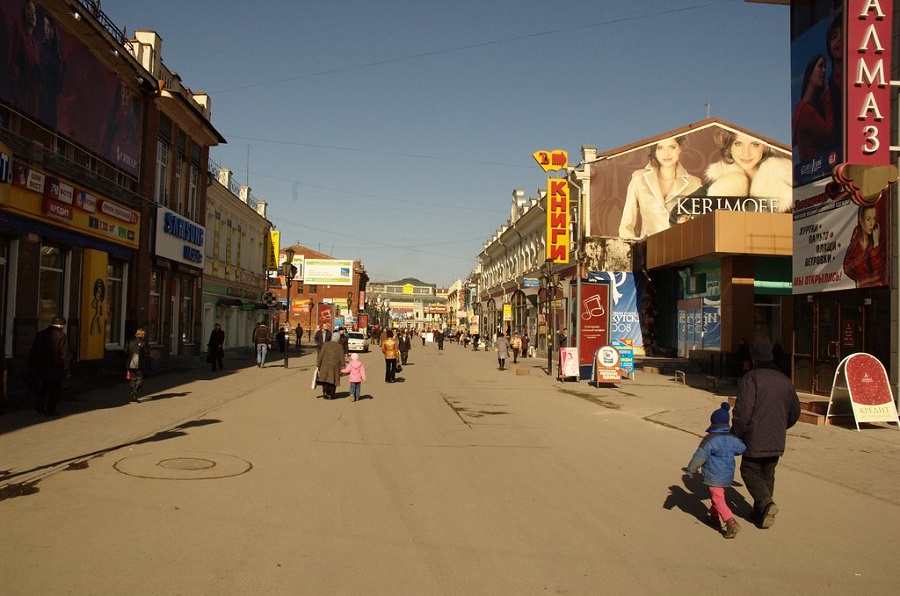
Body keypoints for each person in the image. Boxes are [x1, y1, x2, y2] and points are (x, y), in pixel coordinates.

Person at [732, 338, 801, 529]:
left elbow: (743, 410)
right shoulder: (785, 380)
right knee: (767, 473)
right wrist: (781, 426)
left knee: (749, 470)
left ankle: (766, 503)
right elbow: (795, 410)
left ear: (754, 359)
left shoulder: (751, 378)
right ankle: (760, 513)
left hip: (755, 437)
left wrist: (736, 431)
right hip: (777, 437)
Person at [683, 402, 746, 539]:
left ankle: (731, 521)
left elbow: (700, 456)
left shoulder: (710, 440)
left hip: (715, 476)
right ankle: (713, 516)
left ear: (713, 422)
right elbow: (741, 449)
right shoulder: (732, 438)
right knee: (718, 497)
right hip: (728, 476)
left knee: (718, 499)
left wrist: (690, 470)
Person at [619, 136, 703, 237]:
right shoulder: (639, 178)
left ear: (680, 148)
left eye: (672, 147)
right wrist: (635, 250)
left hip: (682, 250)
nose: (666, 154)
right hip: (648, 250)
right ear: (654, 151)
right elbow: (626, 226)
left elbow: (700, 227)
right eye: (660, 148)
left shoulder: (694, 184)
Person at [703, 131, 792, 213]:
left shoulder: (788, 185)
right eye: (738, 144)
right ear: (730, 147)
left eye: (755, 145)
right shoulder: (714, 185)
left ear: (765, 147)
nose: (746, 153)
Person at [792, 54, 834, 162]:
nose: (824, 71)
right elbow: (829, 136)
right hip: (817, 168)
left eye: (825, 67)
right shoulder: (806, 110)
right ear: (810, 73)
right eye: (820, 66)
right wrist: (827, 97)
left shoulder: (801, 108)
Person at [28, 316, 70, 416]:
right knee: (55, 389)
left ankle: (40, 405)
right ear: (62, 325)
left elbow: (33, 351)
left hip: (40, 367)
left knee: (44, 387)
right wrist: (66, 369)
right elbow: (65, 355)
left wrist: (33, 366)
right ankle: (51, 408)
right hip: (55, 368)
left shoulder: (40, 334)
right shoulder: (62, 336)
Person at [842, 205, 886, 288]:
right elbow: (847, 267)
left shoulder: (880, 240)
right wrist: (860, 278)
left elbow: (880, 271)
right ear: (861, 221)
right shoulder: (855, 243)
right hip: (861, 289)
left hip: (878, 289)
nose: (872, 223)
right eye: (869, 219)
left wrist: (876, 244)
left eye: (874, 219)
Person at [125, 327, 151, 403]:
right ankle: (135, 391)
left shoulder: (130, 341)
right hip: (139, 363)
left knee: (133, 379)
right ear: (142, 335)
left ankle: (133, 394)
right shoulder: (144, 343)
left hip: (130, 362)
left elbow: (126, 351)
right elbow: (146, 354)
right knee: (140, 378)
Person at [316, 334, 344, 399]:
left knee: (325, 380)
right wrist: (343, 365)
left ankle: (325, 392)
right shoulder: (339, 346)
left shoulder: (326, 344)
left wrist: (318, 364)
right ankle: (331, 394)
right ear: (338, 339)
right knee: (333, 380)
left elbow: (321, 355)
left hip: (325, 365)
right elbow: (341, 357)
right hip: (335, 366)